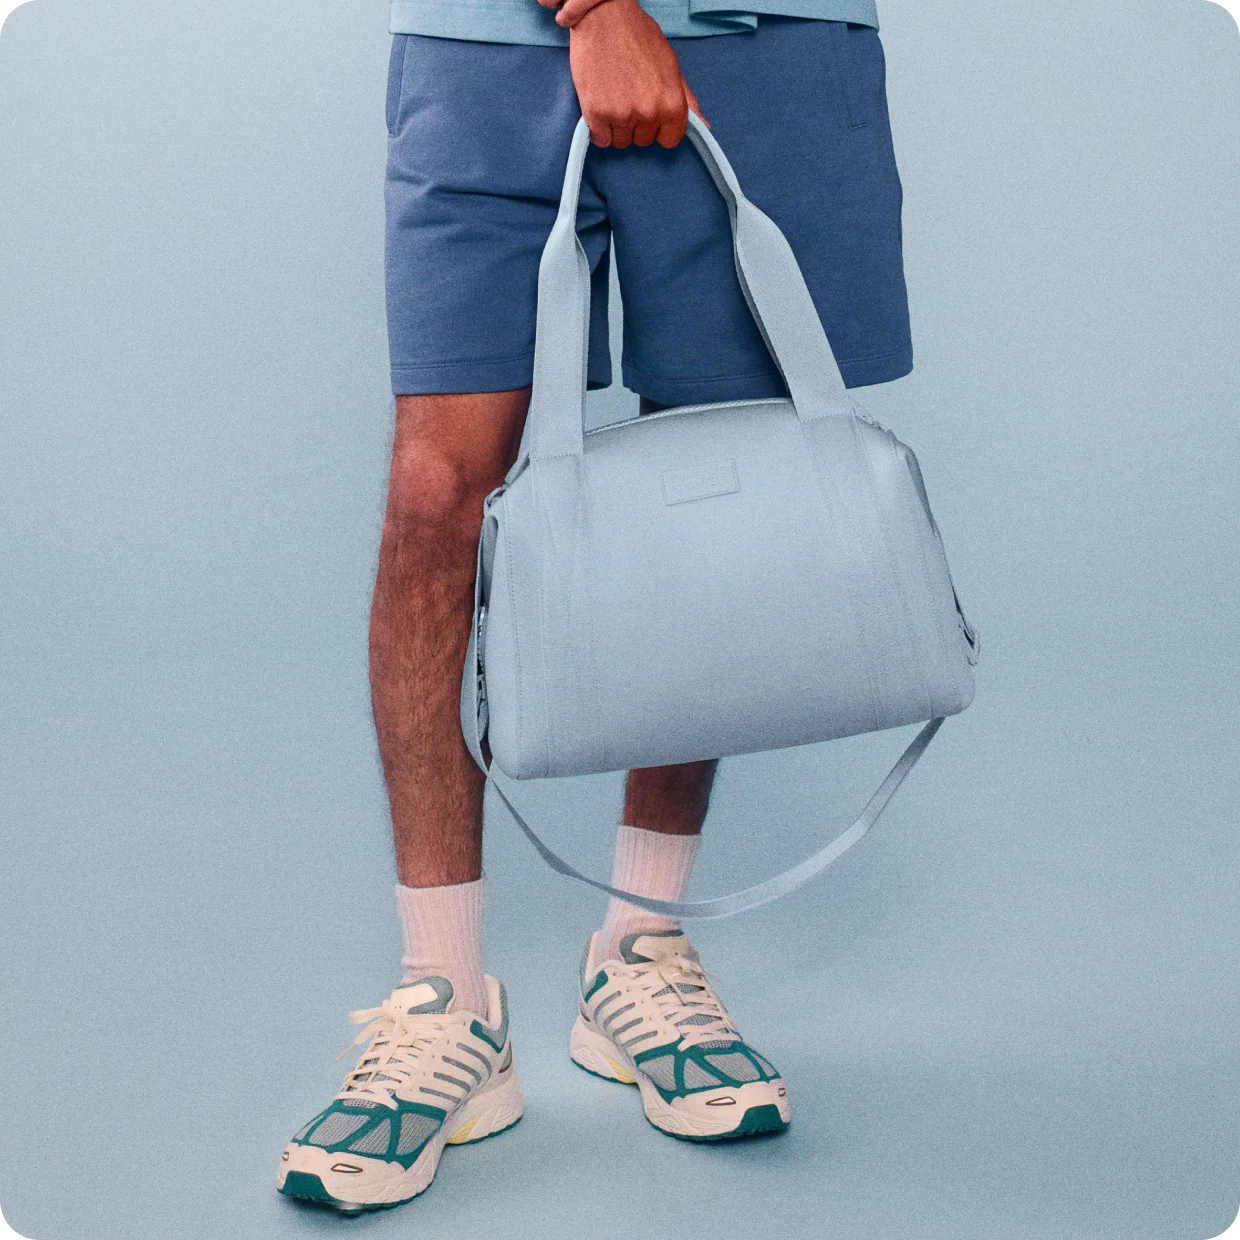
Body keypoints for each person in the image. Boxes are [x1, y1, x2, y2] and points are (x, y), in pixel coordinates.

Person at [276, 0, 912, 1212]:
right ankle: (445, 1001)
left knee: (709, 479)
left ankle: (639, 949)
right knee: (435, 498)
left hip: (765, 35)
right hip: (491, 41)